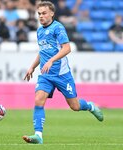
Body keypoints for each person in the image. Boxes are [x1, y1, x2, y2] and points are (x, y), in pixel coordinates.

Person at [22, 1, 104, 144]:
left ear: (52, 13)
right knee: (38, 100)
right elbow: (42, 52)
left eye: (44, 13)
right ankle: (38, 136)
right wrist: (32, 67)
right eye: (39, 14)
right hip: (46, 75)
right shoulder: (40, 31)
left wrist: (51, 60)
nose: (41, 16)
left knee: (75, 106)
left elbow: (67, 48)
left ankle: (90, 106)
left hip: (62, 74)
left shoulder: (58, 28)